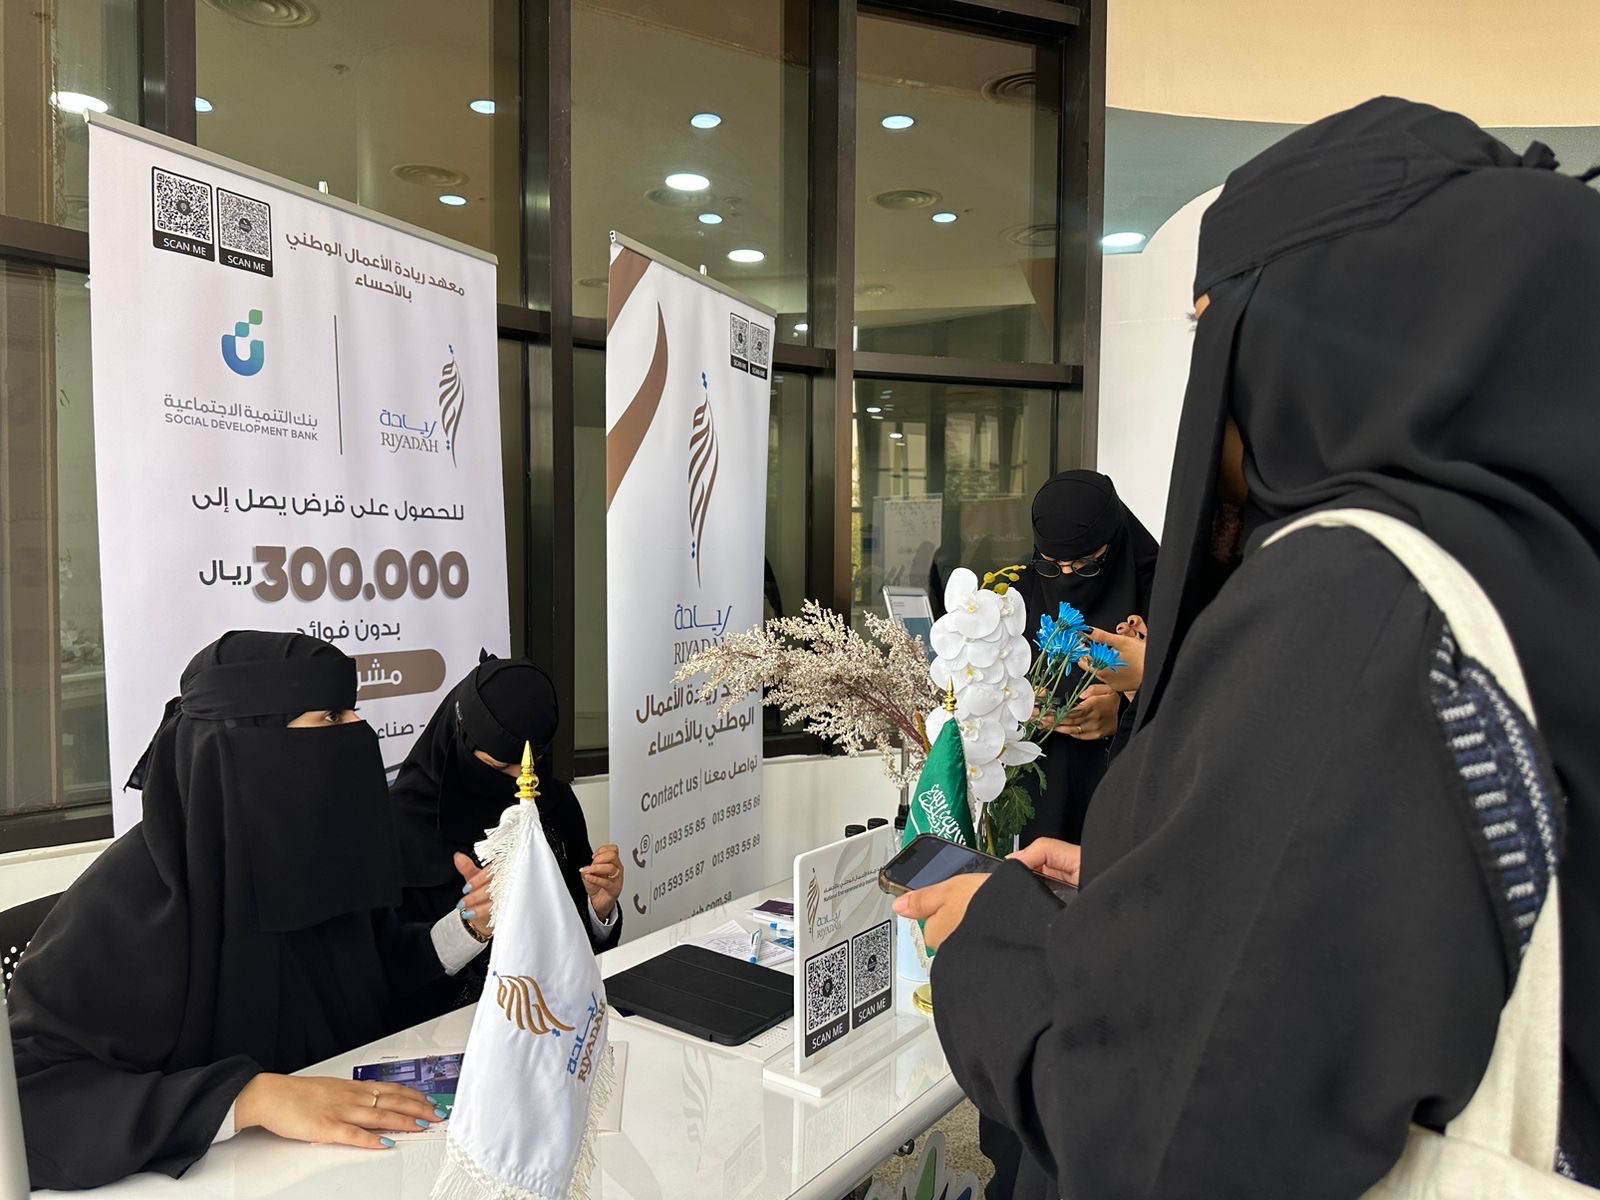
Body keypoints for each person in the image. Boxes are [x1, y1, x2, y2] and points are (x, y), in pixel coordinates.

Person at [894, 97, 1600, 1198]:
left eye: (1213, 331)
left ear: (1303, 336)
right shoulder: (1540, 569)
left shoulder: (1360, 595)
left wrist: (995, 937)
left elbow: (1164, 1135)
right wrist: (1156, 891)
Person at [8, 632, 488, 1190]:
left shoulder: (313, 849)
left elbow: (374, 969)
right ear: (252, 744)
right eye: (333, 716)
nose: (360, 730)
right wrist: (250, 1097)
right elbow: (24, 1096)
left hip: (355, 1168)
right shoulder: (133, 897)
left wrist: (470, 925)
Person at [390, 654, 622, 1022]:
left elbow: (574, 941)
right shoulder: (400, 825)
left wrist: (599, 909)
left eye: (532, 761)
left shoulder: (554, 800)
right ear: (460, 739)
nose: (521, 780)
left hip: (560, 1019)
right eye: (500, 765)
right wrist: (468, 928)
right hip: (448, 1032)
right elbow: (388, 970)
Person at [1012, 470, 1158, 845]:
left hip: (1122, 801)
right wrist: (1017, 704)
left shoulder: (1162, 592)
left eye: (1085, 566)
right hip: (1037, 799)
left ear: (1114, 542)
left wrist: (1127, 710)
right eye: (1051, 565)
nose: (1066, 578)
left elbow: (1198, 700)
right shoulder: (1019, 591)